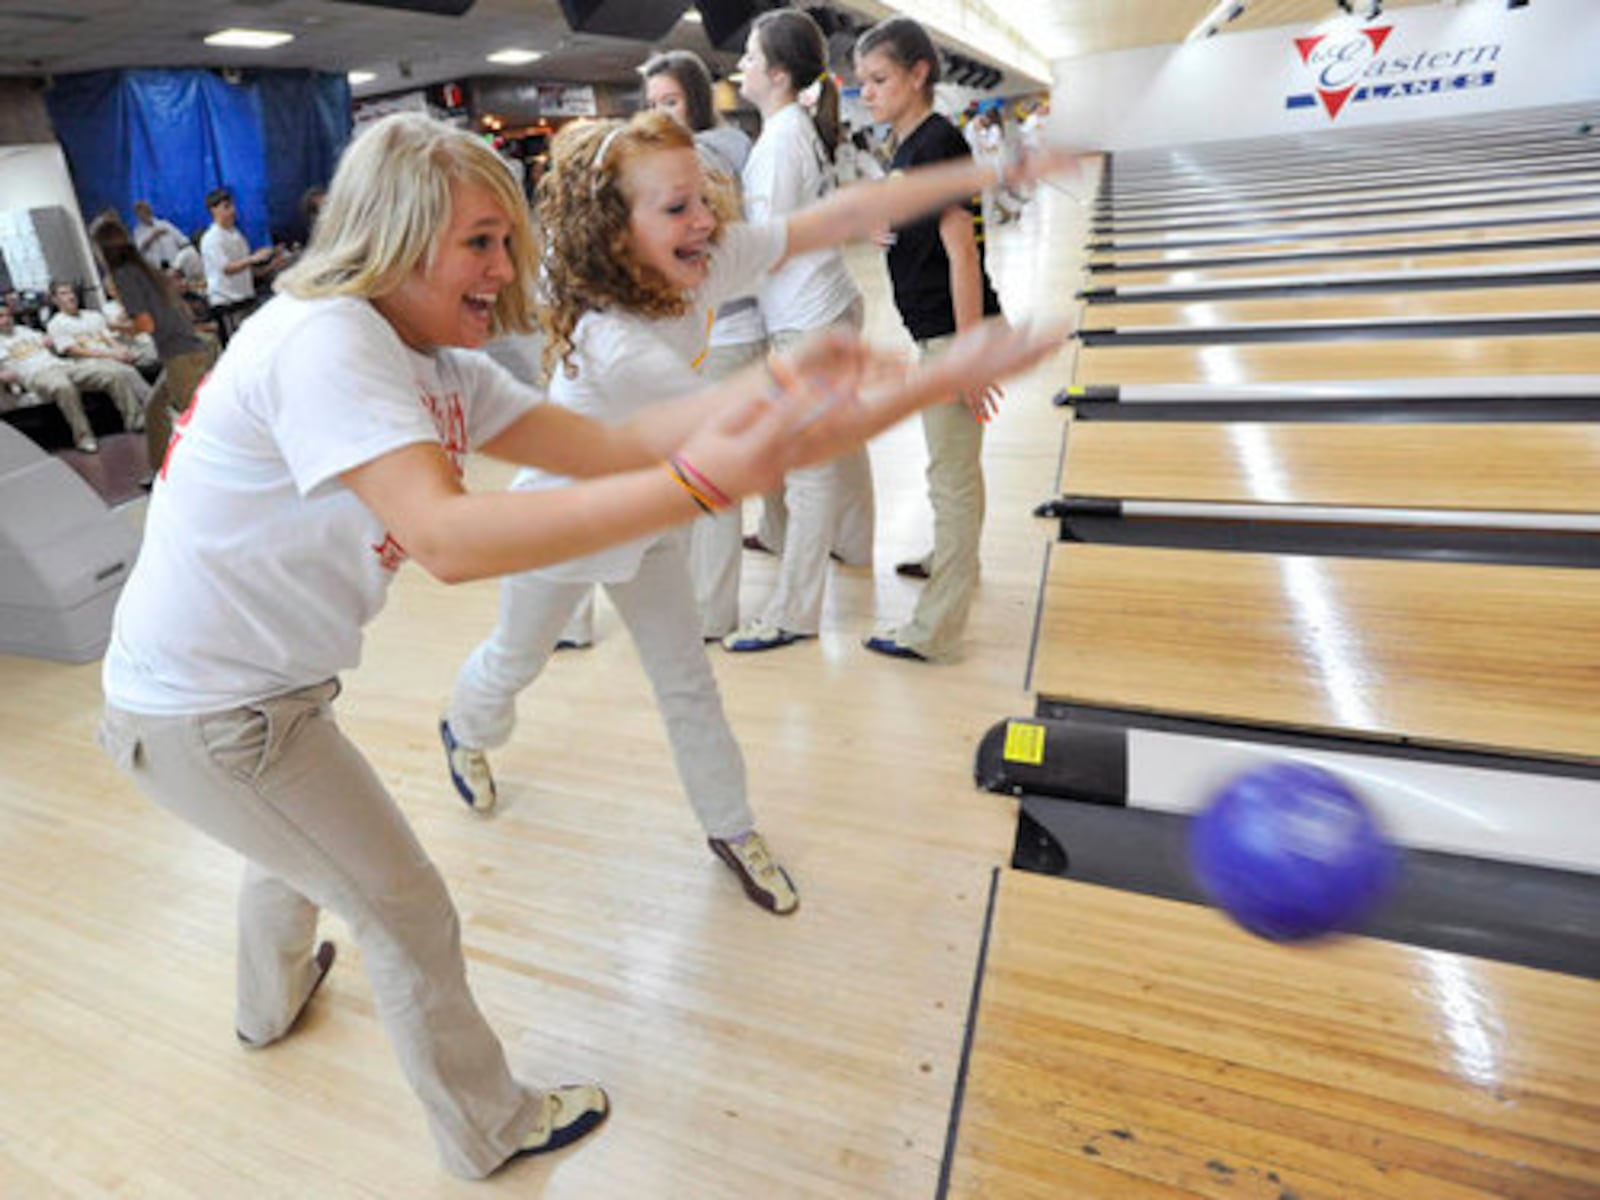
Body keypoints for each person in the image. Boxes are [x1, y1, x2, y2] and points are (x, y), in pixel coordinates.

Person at [96, 112, 1064, 1179]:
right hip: (210, 711)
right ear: (398, 232)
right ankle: (490, 1128)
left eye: (507, 240)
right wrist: (705, 474)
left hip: (249, 686)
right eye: (477, 242)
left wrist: (814, 388)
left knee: (291, 846)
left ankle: (265, 1008)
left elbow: (604, 447)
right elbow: (447, 540)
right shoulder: (330, 340)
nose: (504, 268)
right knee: (406, 908)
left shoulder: (437, 363)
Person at [854, 17, 1009, 663]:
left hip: (956, 333)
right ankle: (954, 560)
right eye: (861, 80)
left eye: (879, 78)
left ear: (919, 73)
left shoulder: (938, 143)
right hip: (939, 331)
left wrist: (969, 353)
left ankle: (935, 630)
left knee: (950, 478)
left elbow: (964, 255)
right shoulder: (908, 143)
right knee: (952, 467)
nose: (867, 91)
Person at [724, 7, 876, 653]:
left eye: (751, 58)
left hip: (808, 319)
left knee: (809, 471)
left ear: (779, 74)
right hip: (828, 305)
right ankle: (856, 544)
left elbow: (772, 244)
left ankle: (794, 613)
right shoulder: (790, 130)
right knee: (839, 443)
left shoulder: (782, 139)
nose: (740, 67)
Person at [644, 48, 767, 640]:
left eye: (670, 101)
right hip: (725, 330)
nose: (661, 114)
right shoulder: (735, 145)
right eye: (651, 105)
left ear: (693, 96)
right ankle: (703, 604)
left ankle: (712, 612)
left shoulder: (701, 159)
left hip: (724, 333)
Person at [90, 211, 218, 475]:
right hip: (186, 348)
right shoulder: (142, 267)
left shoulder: (124, 275)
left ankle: (213, 477)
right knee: (154, 409)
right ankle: (162, 472)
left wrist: (118, 326)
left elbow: (147, 325)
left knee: (194, 424)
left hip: (180, 354)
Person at [41, 280, 152, 435]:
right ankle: (151, 411)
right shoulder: (56, 323)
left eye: (71, 292)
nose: (71, 297)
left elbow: (108, 338)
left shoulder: (93, 316)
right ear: (55, 300)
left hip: (111, 355)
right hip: (88, 362)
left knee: (153, 354)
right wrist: (111, 355)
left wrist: (120, 350)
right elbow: (74, 351)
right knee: (126, 372)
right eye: (64, 293)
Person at [0, 305, 101, 451]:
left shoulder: (24, 330)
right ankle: (84, 437)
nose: (6, 320)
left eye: (8, 316)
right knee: (63, 386)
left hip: (59, 365)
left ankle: (137, 420)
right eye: (1, 317)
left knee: (108, 372)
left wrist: (50, 342)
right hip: (36, 375)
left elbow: (48, 342)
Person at [200, 187, 280, 311]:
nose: (233, 211)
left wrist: (269, 267)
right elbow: (227, 268)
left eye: (232, 206)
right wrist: (254, 258)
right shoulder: (211, 238)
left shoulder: (236, 234)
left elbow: (245, 269)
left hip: (245, 298)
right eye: (226, 207)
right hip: (227, 302)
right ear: (213, 210)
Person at [131, 200, 189, 271]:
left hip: (176, 263)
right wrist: (153, 236)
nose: (143, 215)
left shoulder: (164, 224)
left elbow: (181, 239)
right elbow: (139, 248)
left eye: (145, 211)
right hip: (158, 269)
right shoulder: (138, 232)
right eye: (140, 213)